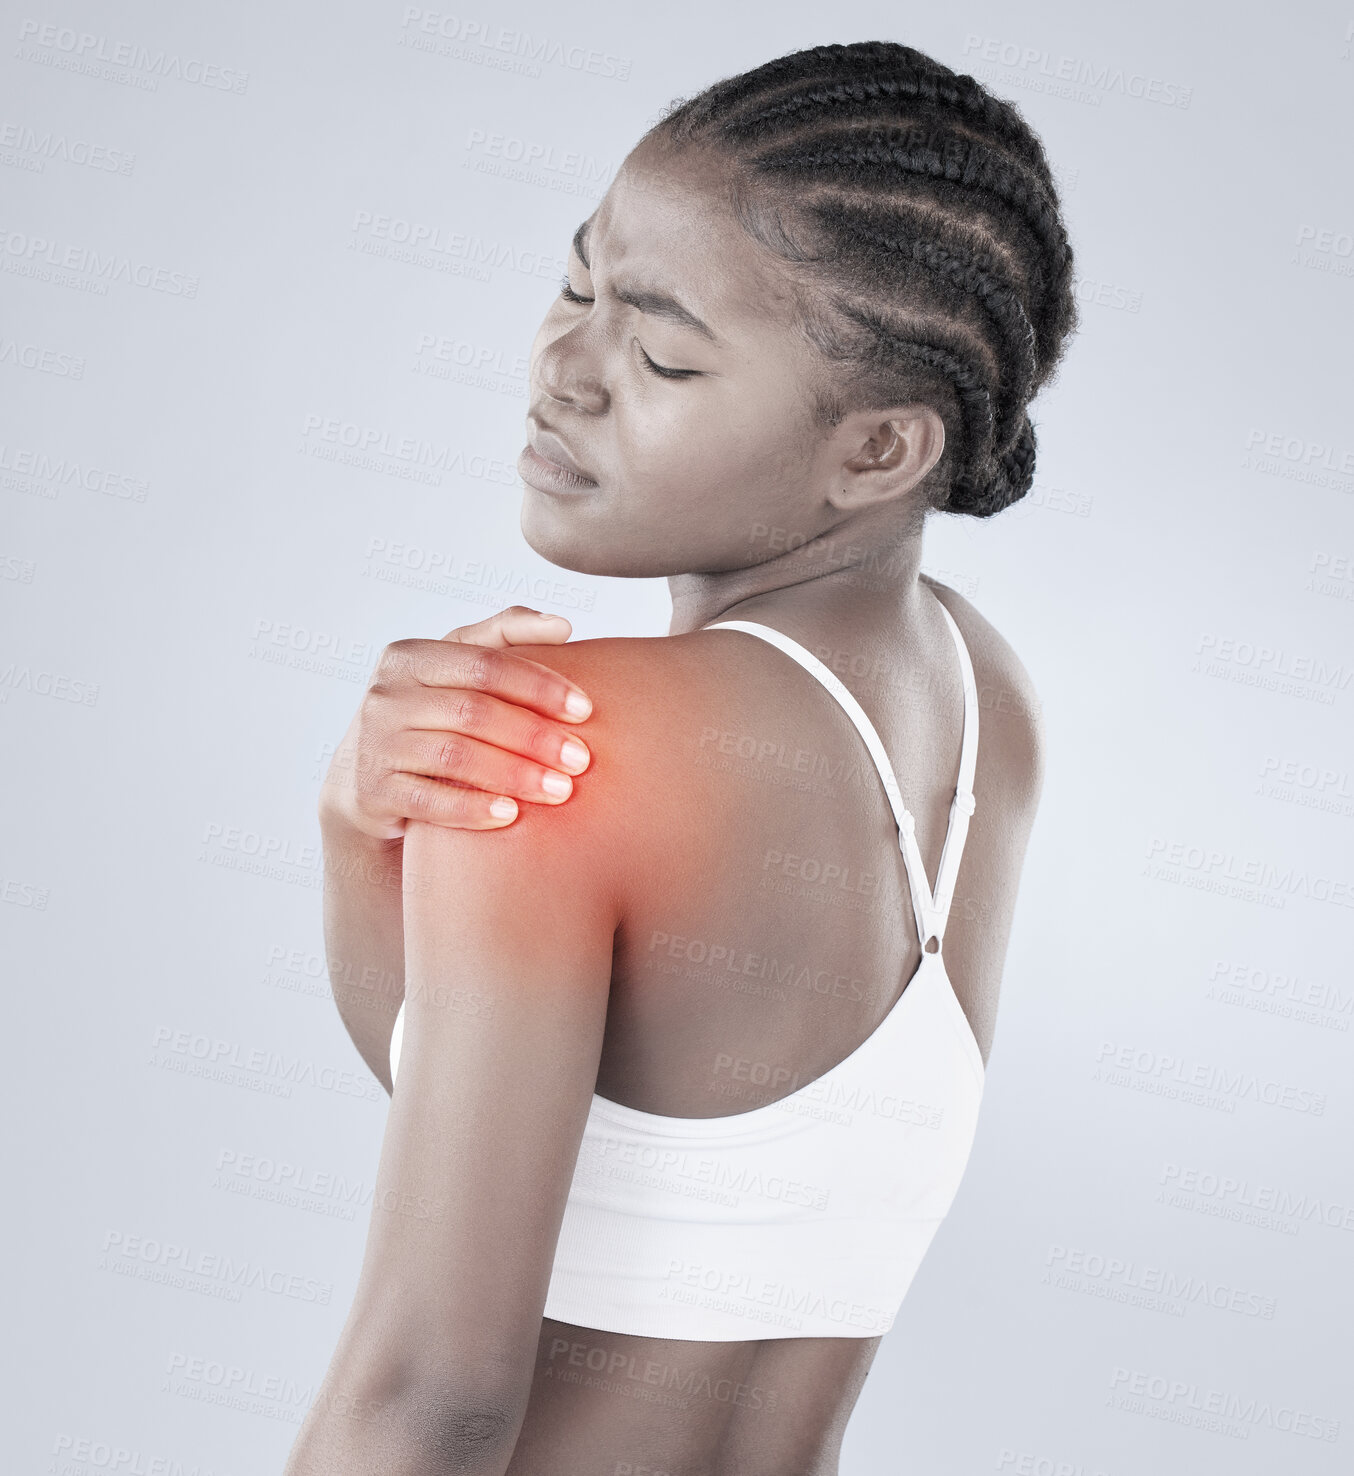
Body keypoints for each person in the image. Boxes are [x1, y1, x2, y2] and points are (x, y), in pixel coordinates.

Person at [285, 39, 1076, 1476]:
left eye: (658, 350)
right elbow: (598, 1162)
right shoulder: (979, 693)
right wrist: (359, 833)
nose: (565, 368)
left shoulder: (574, 741)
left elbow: (430, 1398)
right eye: (576, 285)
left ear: (879, 447)